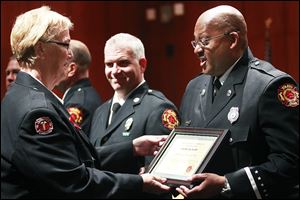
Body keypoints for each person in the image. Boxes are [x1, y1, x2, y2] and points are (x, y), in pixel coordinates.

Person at [1, 6, 171, 199]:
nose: (69, 54)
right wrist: (139, 183)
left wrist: (132, 147)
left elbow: (72, 158)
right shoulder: (37, 111)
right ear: (41, 48)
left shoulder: (19, 94)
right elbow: (73, 181)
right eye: (65, 44)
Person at [177, 5, 299, 199]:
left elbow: (289, 162)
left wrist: (227, 184)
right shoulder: (194, 88)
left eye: (205, 41)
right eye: (195, 43)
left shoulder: (270, 86)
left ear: (233, 40)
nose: (197, 50)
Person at [89, 33, 180, 198]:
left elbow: (161, 180)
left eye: (123, 63)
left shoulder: (158, 108)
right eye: (109, 64)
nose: (114, 71)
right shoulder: (101, 111)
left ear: (142, 64)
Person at [56, 39, 102, 134]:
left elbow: (66, 143)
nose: (53, 69)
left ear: (71, 69)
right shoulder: (87, 95)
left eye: (58, 64)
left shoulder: (77, 104)